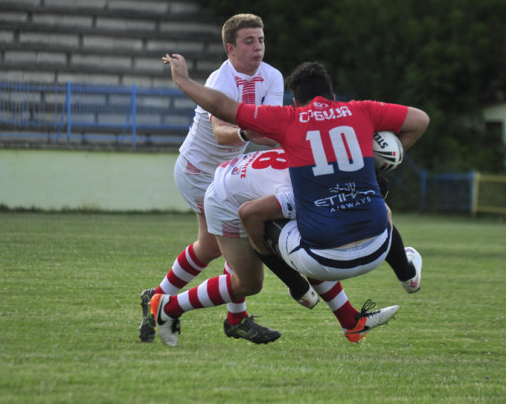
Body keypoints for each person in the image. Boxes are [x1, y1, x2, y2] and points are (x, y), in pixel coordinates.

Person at [156, 55, 430, 342]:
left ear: (296, 103)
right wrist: (376, 167)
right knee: (251, 276)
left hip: (284, 221)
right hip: (228, 196)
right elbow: (420, 120)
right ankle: (170, 305)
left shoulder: (291, 120)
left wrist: (183, 81)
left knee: (299, 235)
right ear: (333, 97)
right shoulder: (360, 111)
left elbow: (224, 107)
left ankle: (343, 316)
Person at [140, 14, 306, 345]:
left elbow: (271, 127)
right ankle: (231, 318)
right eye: (249, 41)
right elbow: (220, 132)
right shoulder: (221, 80)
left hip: (229, 172)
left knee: (215, 244)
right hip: (198, 171)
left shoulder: (272, 76)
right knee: (231, 240)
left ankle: (158, 298)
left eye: (261, 40)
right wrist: (248, 132)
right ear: (230, 48)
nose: (258, 47)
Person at [150, 148, 384, 346]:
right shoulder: (305, 195)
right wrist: (294, 282)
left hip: (240, 179)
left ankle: (350, 322)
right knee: (249, 283)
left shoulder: (322, 167)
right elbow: (250, 216)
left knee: (311, 244)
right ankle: (168, 307)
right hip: (227, 200)